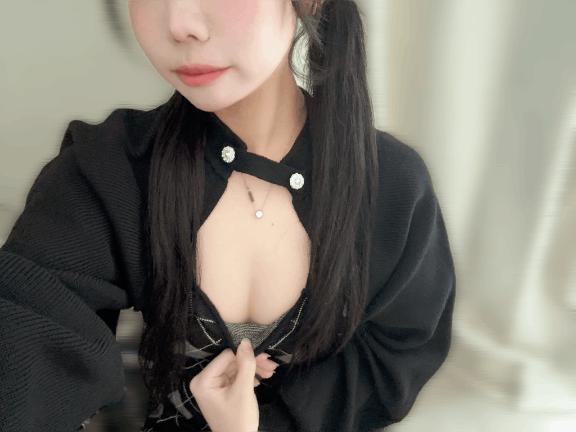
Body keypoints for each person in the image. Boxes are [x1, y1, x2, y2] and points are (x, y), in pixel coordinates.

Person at [0, 1, 457, 431]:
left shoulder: (394, 188)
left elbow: (396, 356)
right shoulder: (107, 172)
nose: (179, 24)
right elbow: (26, 344)